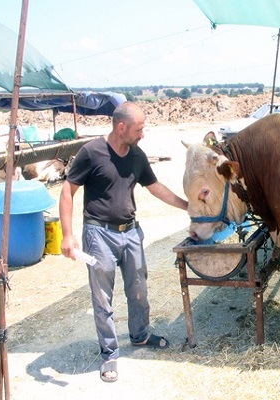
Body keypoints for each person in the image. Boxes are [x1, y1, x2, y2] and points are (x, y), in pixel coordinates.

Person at [59, 101, 188, 383]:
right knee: (103, 297)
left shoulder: (137, 156)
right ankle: (109, 354)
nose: (142, 134)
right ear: (121, 128)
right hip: (98, 234)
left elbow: (156, 188)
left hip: (130, 233)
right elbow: (67, 191)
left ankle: (140, 336)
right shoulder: (91, 152)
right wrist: (68, 235)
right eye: (139, 129)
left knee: (138, 288)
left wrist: (187, 206)